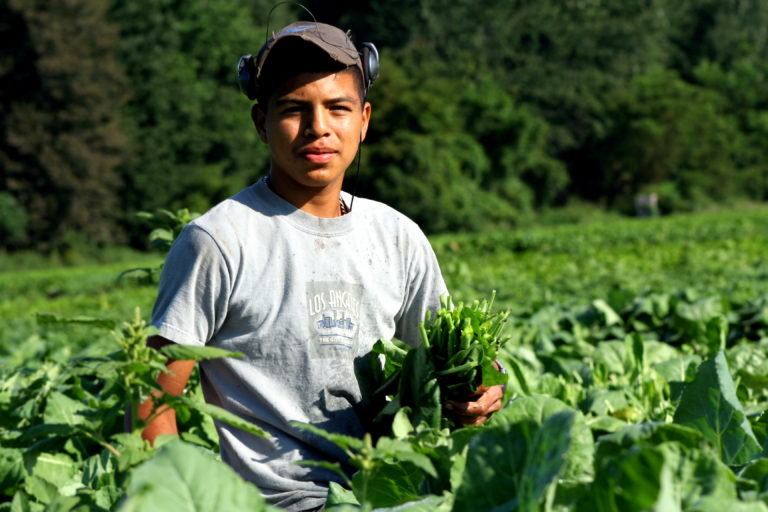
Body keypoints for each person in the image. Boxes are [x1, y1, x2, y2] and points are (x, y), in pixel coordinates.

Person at [138, 21, 503, 511]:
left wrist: (481, 386)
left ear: (364, 120)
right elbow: (150, 402)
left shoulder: (397, 237)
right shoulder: (220, 240)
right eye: (293, 109)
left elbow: (450, 363)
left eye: (338, 108)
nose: (318, 127)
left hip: (389, 494)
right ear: (260, 122)